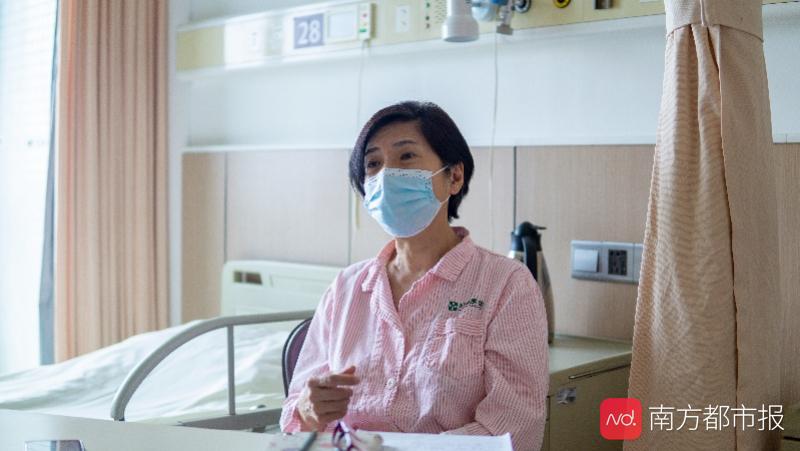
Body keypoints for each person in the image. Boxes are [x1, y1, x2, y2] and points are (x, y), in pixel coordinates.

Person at [280, 101, 548, 450]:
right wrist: (308, 411)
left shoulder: (505, 284)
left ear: (454, 177)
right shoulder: (346, 288)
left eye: (406, 156)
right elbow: (295, 418)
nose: (386, 174)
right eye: (373, 164)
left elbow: (515, 430)